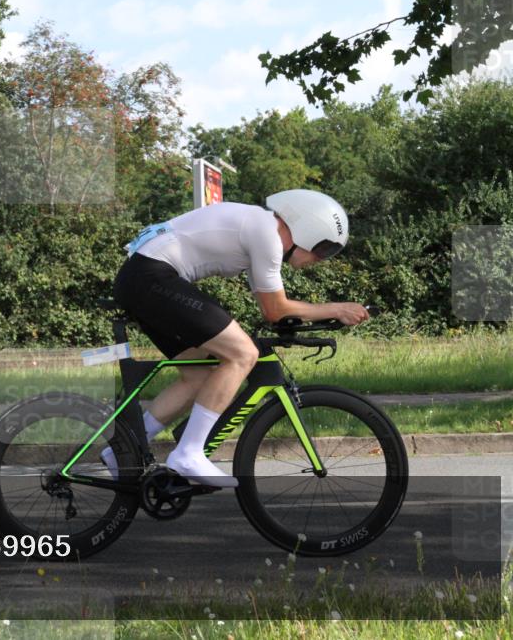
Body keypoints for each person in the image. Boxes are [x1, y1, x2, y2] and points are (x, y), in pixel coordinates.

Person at [102, 189, 369, 487]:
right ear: (306, 229)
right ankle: (189, 453)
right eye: (324, 249)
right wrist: (336, 309)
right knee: (242, 354)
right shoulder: (266, 234)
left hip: (143, 278)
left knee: (199, 375)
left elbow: (274, 310)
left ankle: (122, 451)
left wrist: (319, 315)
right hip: (152, 276)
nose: (321, 259)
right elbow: (275, 308)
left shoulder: (261, 232)